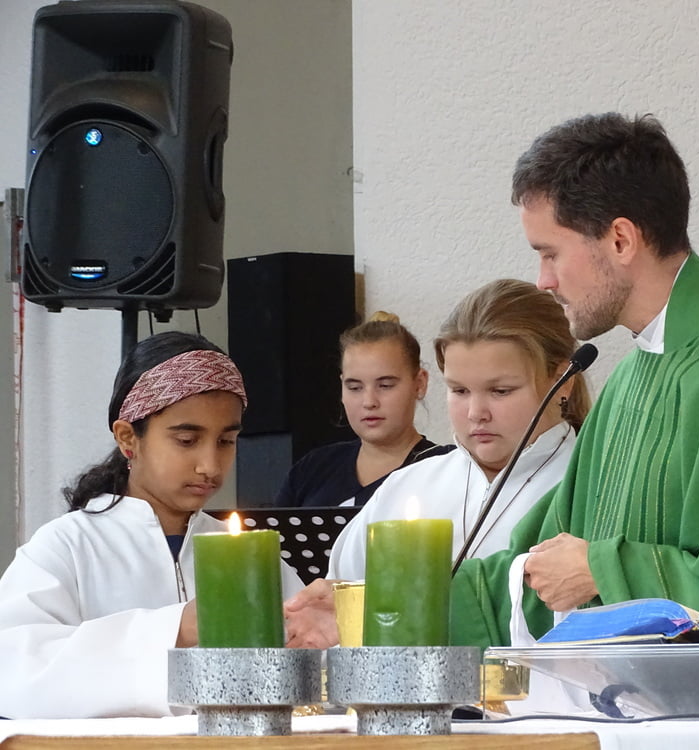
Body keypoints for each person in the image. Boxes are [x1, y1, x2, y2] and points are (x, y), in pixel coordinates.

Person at [285, 113, 699, 652]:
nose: (543, 280)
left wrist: (601, 568)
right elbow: (530, 572)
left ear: (620, 240)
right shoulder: (633, 378)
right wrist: (373, 609)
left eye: (550, 253)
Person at [0, 332, 304, 719]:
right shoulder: (68, 546)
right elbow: (14, 670)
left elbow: (312, 674)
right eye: (187, 440)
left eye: (226, 441)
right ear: (129, 438)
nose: (210, 466)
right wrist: (177, 627)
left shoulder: (249, 554)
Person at [327, 278, 591, 580]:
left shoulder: (593, 487)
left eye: (500, 391)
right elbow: (339, 591)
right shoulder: (405, 487)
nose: (476, 414)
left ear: (562, 382)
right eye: (460, 391)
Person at [274, 311, 452, 508]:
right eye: (355, 388)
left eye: (385, 386)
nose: (369, 402)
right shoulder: (312, 469)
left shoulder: (448, 470)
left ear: (419, 384)